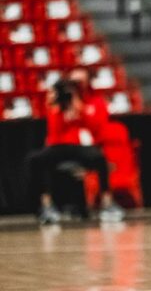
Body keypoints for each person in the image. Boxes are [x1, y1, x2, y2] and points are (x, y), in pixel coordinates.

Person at [27, 80, 125, 225]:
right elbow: (55, 128)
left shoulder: (79, 107)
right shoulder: (52, 107)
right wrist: (58, 107)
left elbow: (91, 126)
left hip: (76, 146)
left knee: (99, 157)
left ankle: (107, 203)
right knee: (36, 160)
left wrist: (78, 107)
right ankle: (47, 206)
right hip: (57, 147)